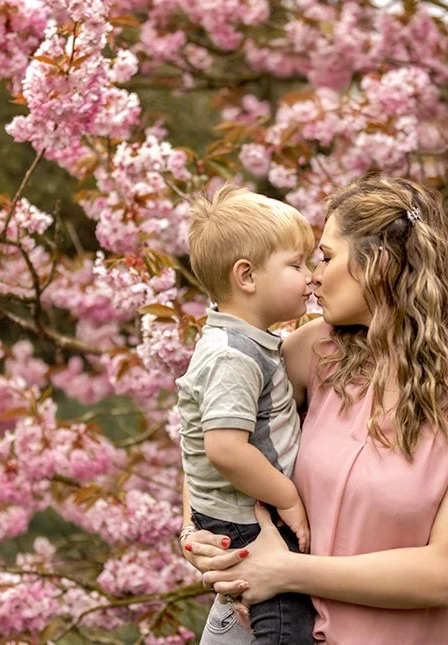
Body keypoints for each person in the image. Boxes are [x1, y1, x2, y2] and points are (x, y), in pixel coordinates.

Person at [179, 176, 448, 645]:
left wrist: (287, 572)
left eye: (326, 257)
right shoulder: (316, 350)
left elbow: (446, 575)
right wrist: (196, 532)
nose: (314, 277)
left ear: (380, 263)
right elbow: (218, 438)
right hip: (250, 631)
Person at [176, 184, 317, 645]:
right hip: (247, 516)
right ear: (247, 276)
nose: (311, 276)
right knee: (283, 624)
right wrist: (287, 498)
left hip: (243, 509)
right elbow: (223, 449)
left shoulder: (248, 343)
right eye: (296, 265)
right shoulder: (233, 356)